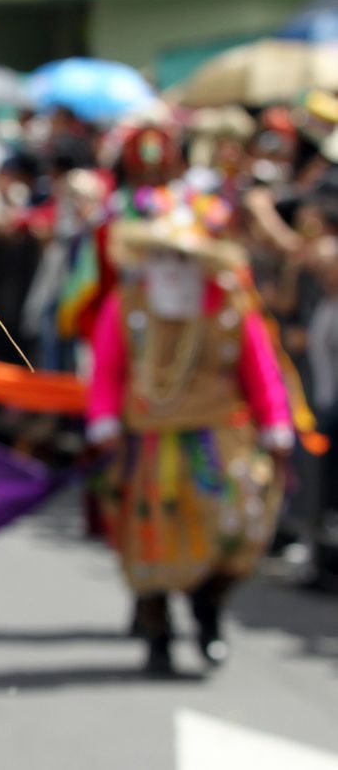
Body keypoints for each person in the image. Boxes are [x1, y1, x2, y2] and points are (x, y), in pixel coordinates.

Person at [87, 198, 294, 675]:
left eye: (182, 257)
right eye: (161, 255)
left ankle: (209, 614)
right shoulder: (127, 306)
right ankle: (157, 632)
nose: (172, 267)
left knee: (229, 531)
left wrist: (276, 423)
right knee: (150, 536)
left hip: (218, 442)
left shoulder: (229, 307)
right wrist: (104, 418)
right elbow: (108, 371)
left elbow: (260, 370)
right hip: (148, 444)